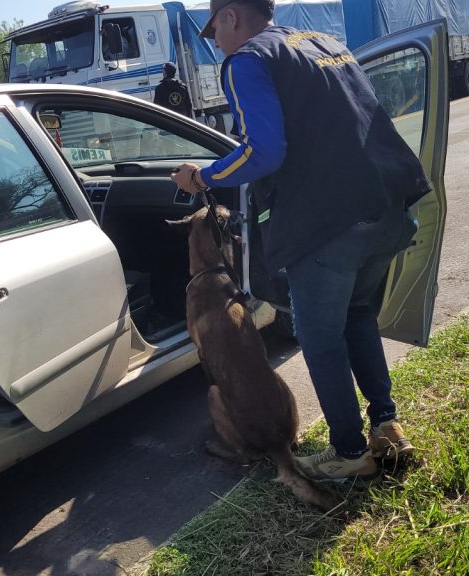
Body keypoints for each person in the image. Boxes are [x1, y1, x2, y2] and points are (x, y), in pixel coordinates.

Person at [170, 0, 429, 481]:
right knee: (357, 315)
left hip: (331, 224)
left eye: (214, 30)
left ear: (231, 16)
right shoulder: (323, 43)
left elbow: (264, 151)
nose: (216, 43)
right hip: (392, 205)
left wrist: (201, 176)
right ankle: (386, 425)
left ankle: (350, 452)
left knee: (319, 338)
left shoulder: (246, 60)